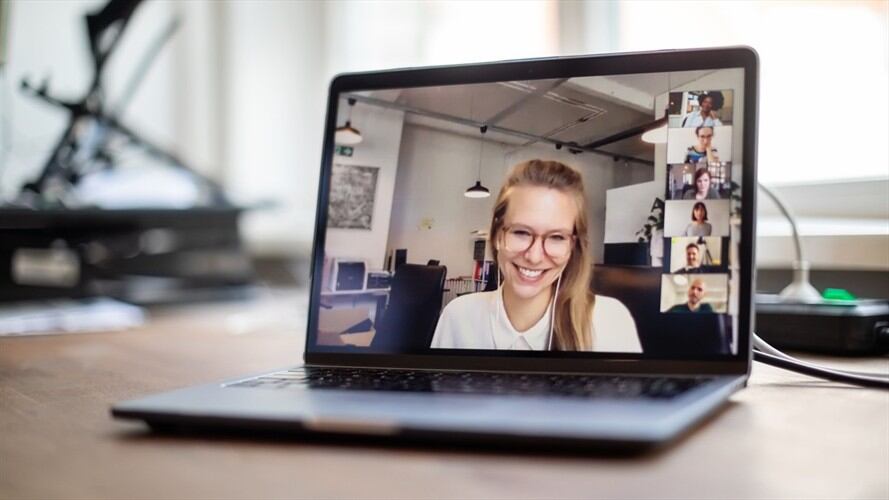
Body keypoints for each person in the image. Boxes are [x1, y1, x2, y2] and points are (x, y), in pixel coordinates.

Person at [430, 159, 642, 352]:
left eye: (556, 237)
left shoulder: (610, 322)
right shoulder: (457, 317)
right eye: (521, 232)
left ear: (572, 247)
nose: (534, 256)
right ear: (497, 236)